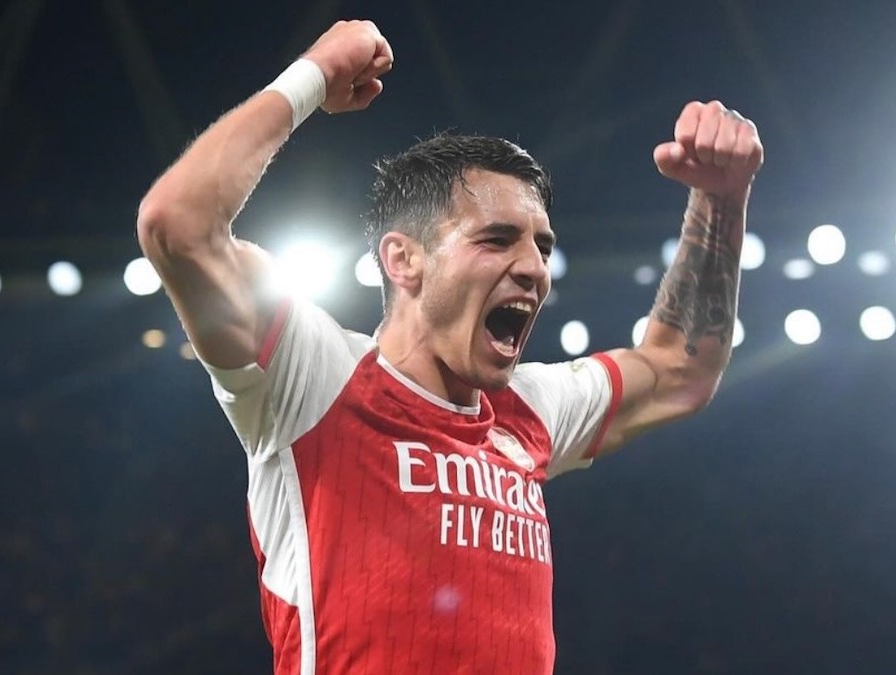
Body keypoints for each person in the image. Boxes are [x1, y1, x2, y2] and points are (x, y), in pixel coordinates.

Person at [136, 19, 762, 675]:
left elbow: (680, 367)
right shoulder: (315, 374)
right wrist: (314, 75)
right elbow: (176, 224)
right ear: (403, 260)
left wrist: (721, 201)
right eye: (497, 239)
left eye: (542, 246)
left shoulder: (530, 408)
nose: (534, 268)